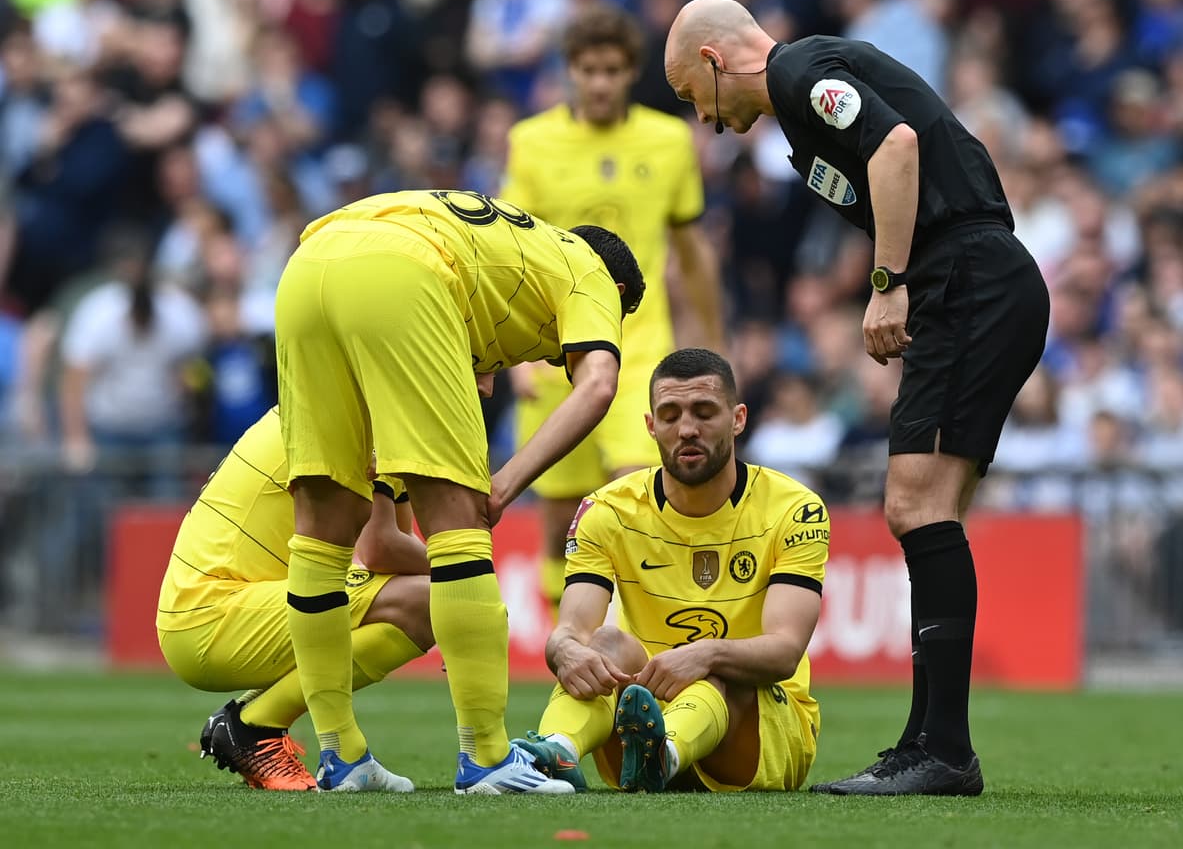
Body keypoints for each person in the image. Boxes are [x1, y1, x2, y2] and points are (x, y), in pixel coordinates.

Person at [664, 0, 1051, 796]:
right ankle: (931, 742)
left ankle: (942, 750)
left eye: (691, 98)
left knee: (915, 508)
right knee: (930, 513)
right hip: (978, 277)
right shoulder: (804, 108)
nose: (706, 121)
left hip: (964, 279)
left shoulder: (799, 71)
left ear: (711, 62)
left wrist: (888, 283)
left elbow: (898, 147)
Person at [273, 189, 644, 795]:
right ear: (621, 296)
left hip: (309, 264)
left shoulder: (517, 248)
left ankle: (341, 755)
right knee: (459, 523)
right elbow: (599, 385)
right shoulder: (590, 271)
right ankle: (488, 758)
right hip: (404, 274)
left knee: (322, 526)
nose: (559, 356)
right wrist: (505, 483)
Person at [513, 348, 827, 794]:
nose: (687, 430)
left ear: (738, 419)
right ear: (650, 425)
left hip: (760, 736)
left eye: (704, 413)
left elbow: (784, 652)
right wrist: (565, 651)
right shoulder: (606, 510)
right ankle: (553, 750)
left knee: (721, 670)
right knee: (602, 644)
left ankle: (664, 753)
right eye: (670, 414)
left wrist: (707, 654)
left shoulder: (794, 508)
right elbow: (571, 629)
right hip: (642, 715)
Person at [500, 3, 721, 617]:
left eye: (612, 70)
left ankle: (636, 638)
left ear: (631, 73)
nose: (600, 82)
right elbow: (512, 251)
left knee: (637, 485)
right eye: (588, 70)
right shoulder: (531, 143)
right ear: (570, 71)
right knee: (555, 519)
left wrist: (711, 336)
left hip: (641, 344)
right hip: (553, 346)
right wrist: (513, 356)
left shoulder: (670, 140)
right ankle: (565, 646)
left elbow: (693, 249)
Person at [156, 394, 462, 791]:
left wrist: (461, 603)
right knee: (429, 601)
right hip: (211, 616)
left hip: (210, 610)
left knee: (433, 599)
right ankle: (254, 726)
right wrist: (469, 595)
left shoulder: (358, 404)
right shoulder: (363, 417)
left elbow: (394, 545)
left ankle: (255, 719)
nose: (487, 388)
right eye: (479, 370)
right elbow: (380, 549)